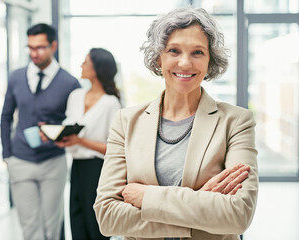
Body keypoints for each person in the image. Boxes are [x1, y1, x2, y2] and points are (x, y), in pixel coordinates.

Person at [94, 7, 258, 240]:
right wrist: (199, 204)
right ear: (158, 58)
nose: (185, 63)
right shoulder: (126, 122)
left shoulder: (236, 122)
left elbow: (238, 215)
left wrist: (147, 198)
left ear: (210, 60)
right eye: (174, 50)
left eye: (197, 52)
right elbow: (107, 216)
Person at [1, 23, 80, 240]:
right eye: (30, 48)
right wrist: (7, 155)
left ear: (53, 46)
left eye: (40, 47)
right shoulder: (16, 77)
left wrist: (56, 131)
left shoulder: (70, 83)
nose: (34, 53)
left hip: (52, 162)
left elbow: (74, 121)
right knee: (29, 226)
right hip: (20, 160)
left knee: (51, 226)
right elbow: (6, 116)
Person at [52, 48, 121, 239]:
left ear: (98, 68)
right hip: (77, 167)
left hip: (98, 169)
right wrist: (59, 137)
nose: (81, 65)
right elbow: (69, 126)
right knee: (77, 220)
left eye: (86, 62)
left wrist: (80, 141)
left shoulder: (111, 103)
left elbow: (114, 149)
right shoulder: (75, 96)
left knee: (96, 225)